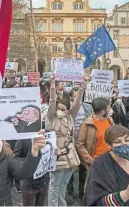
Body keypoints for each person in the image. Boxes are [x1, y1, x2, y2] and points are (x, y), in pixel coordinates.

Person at [47, 75, 82, 206]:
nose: (60, 111)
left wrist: (82, 86)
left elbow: (77, 103)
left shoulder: (70, 117)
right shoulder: (52, 118)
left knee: (63, 184)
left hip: (70, 155)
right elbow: (51, 102)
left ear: (68, 111)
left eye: (63, 109)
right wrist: (52, 85)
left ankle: (62, 205)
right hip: (57, 154)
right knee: (54, 185)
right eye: (58, 108)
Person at [76, 97, 114, 178]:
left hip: (110, 160)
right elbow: (80, 145)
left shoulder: (109, 120)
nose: (110, 109)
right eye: (108, 107)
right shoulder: (86, 124)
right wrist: (91, 161)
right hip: (96, 162)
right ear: (103, 111)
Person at [14, 138, 50, 206]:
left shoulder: (47, 137)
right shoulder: (23, 139)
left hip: (44, 181)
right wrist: (32, 160)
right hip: (29, 182)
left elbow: (51, 159)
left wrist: (56, 154)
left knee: (41, 204)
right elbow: (15, 158)